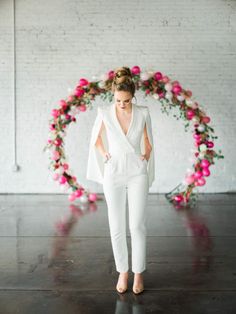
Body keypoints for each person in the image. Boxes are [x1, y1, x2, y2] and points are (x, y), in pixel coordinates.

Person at [86, 66, 155, 294]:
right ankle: (123, 271)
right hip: (113, 171)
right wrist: (105, 153)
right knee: (116, 226)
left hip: (137, 171)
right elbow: (95, 139)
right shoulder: (104, 112)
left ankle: (138, 274)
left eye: (126, 100)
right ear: (113, 96)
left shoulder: (143, 112)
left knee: (137, 225)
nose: (122, 104)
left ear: (132, 97)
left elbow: (148, 139)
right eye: (118, 100)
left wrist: (145, 155)